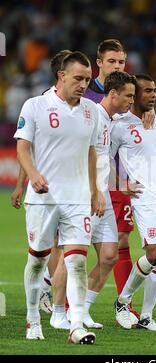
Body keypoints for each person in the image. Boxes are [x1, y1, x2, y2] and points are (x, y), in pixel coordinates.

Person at [14, 51, 102, 344]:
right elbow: (23, 149)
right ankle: (32, 318)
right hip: (44, 197)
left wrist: (95, 189)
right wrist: (33, 174)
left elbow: (91, 151)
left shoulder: (91, 110)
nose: (83, 84)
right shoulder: (36, 105)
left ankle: (76, 324)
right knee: (38, 261)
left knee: (77, 260)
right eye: (78, 78)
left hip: (77, 198)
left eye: (87, 80)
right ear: (61, 76)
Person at [112, 74, 156, 331]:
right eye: (146, 91)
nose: (153, 95)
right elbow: (104, 159)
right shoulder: (119, 125)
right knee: (153, 252)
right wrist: (121, 184)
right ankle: (122, 301)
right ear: (133, 96)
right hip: (146, 198)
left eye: (155, 90)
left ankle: (147, 315)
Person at [11, 49, 72, 315]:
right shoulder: (40, 104)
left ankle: (56, 295)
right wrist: (21, 183)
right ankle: (48, 294)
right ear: (62, 74)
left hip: (71, 187)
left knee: (65, 246)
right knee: (51, 247)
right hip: (46, 189)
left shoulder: (78, 107)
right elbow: (29, 150)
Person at [84, 39, 138, 318]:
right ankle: (57, 301)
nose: (117, 65)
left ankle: (123, 305)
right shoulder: (84, 95)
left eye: (121, 61)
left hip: (117, 177)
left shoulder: (126, 96)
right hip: (86, 184)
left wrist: (147, 113)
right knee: (71, 249)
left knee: (119, 244)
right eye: (112, 61)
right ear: (99, 63)